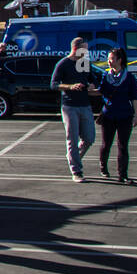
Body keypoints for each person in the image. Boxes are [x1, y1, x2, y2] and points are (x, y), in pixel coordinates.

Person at [51, 37, 99, 182]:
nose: (87, 52)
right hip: (69, 106)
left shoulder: (83, 63)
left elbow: (92, 79)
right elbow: (53, 84)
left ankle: (73, 156)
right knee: (72, 138)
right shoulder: (64, 64)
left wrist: (91, 85)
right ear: (76, 48)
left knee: (89, 138)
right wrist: (69, 87)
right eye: (84, 49)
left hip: (85, 104)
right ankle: (76, 171)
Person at [98, 48, 137, 184]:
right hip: (108, 115)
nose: (109, 61)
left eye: (111, 58)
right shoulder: (105, 76)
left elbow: (134, 97)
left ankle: (123, 174)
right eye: (108, 59)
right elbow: (100, 91)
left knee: (123, 145)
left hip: (124, 115)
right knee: (106, 144)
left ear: (120, 60)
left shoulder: (129, 77)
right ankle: (103, 167)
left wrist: (136, 115)